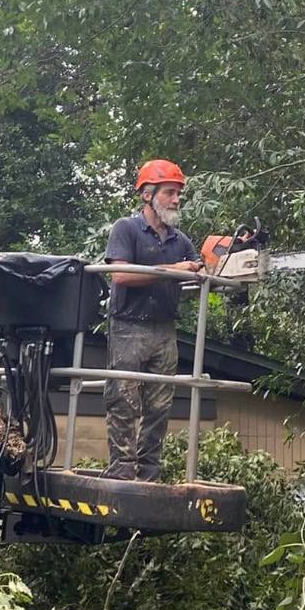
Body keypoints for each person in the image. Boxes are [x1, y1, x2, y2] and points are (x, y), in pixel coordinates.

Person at [102, 160, 203, 481]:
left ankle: (149, 473)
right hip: (128, 327)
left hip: (164, 329)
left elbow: (194, 275)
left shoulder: (180, 240)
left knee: (159, 405)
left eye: (177, 194)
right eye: (170, 193)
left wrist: (209, 269)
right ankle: (121, 471)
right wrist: (175, 270)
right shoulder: (126, 229)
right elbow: (120, 275)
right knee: (124, 400)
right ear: (148, 195)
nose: (176, 200)